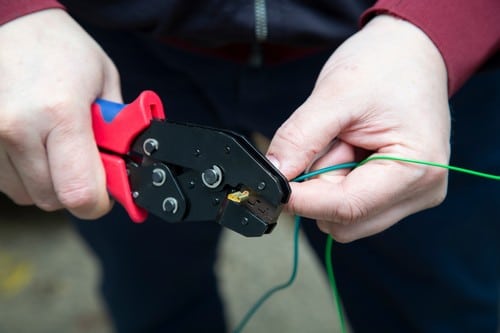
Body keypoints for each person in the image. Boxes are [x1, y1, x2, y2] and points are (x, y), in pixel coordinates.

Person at [0, 1, 498, 332]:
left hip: (407, 66)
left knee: (439, 305)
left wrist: (439, 23)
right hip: (98, 46)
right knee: (150, 291)